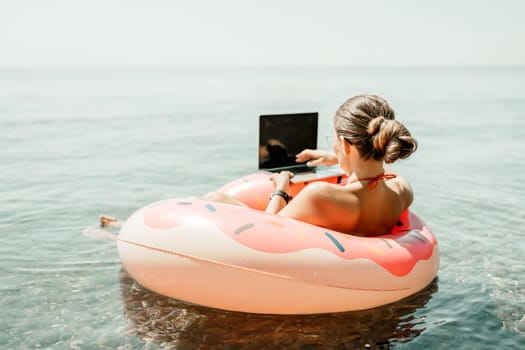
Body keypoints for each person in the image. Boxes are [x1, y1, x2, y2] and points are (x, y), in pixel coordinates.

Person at [202, 94, 417, 236]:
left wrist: (282, 188)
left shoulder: (320, 196)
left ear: (344, 143)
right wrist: (338, 158)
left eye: (333, 142)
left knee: (215, 199)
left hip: (290, 256)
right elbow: (378, 172)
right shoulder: (402, 190)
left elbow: (265, 232)